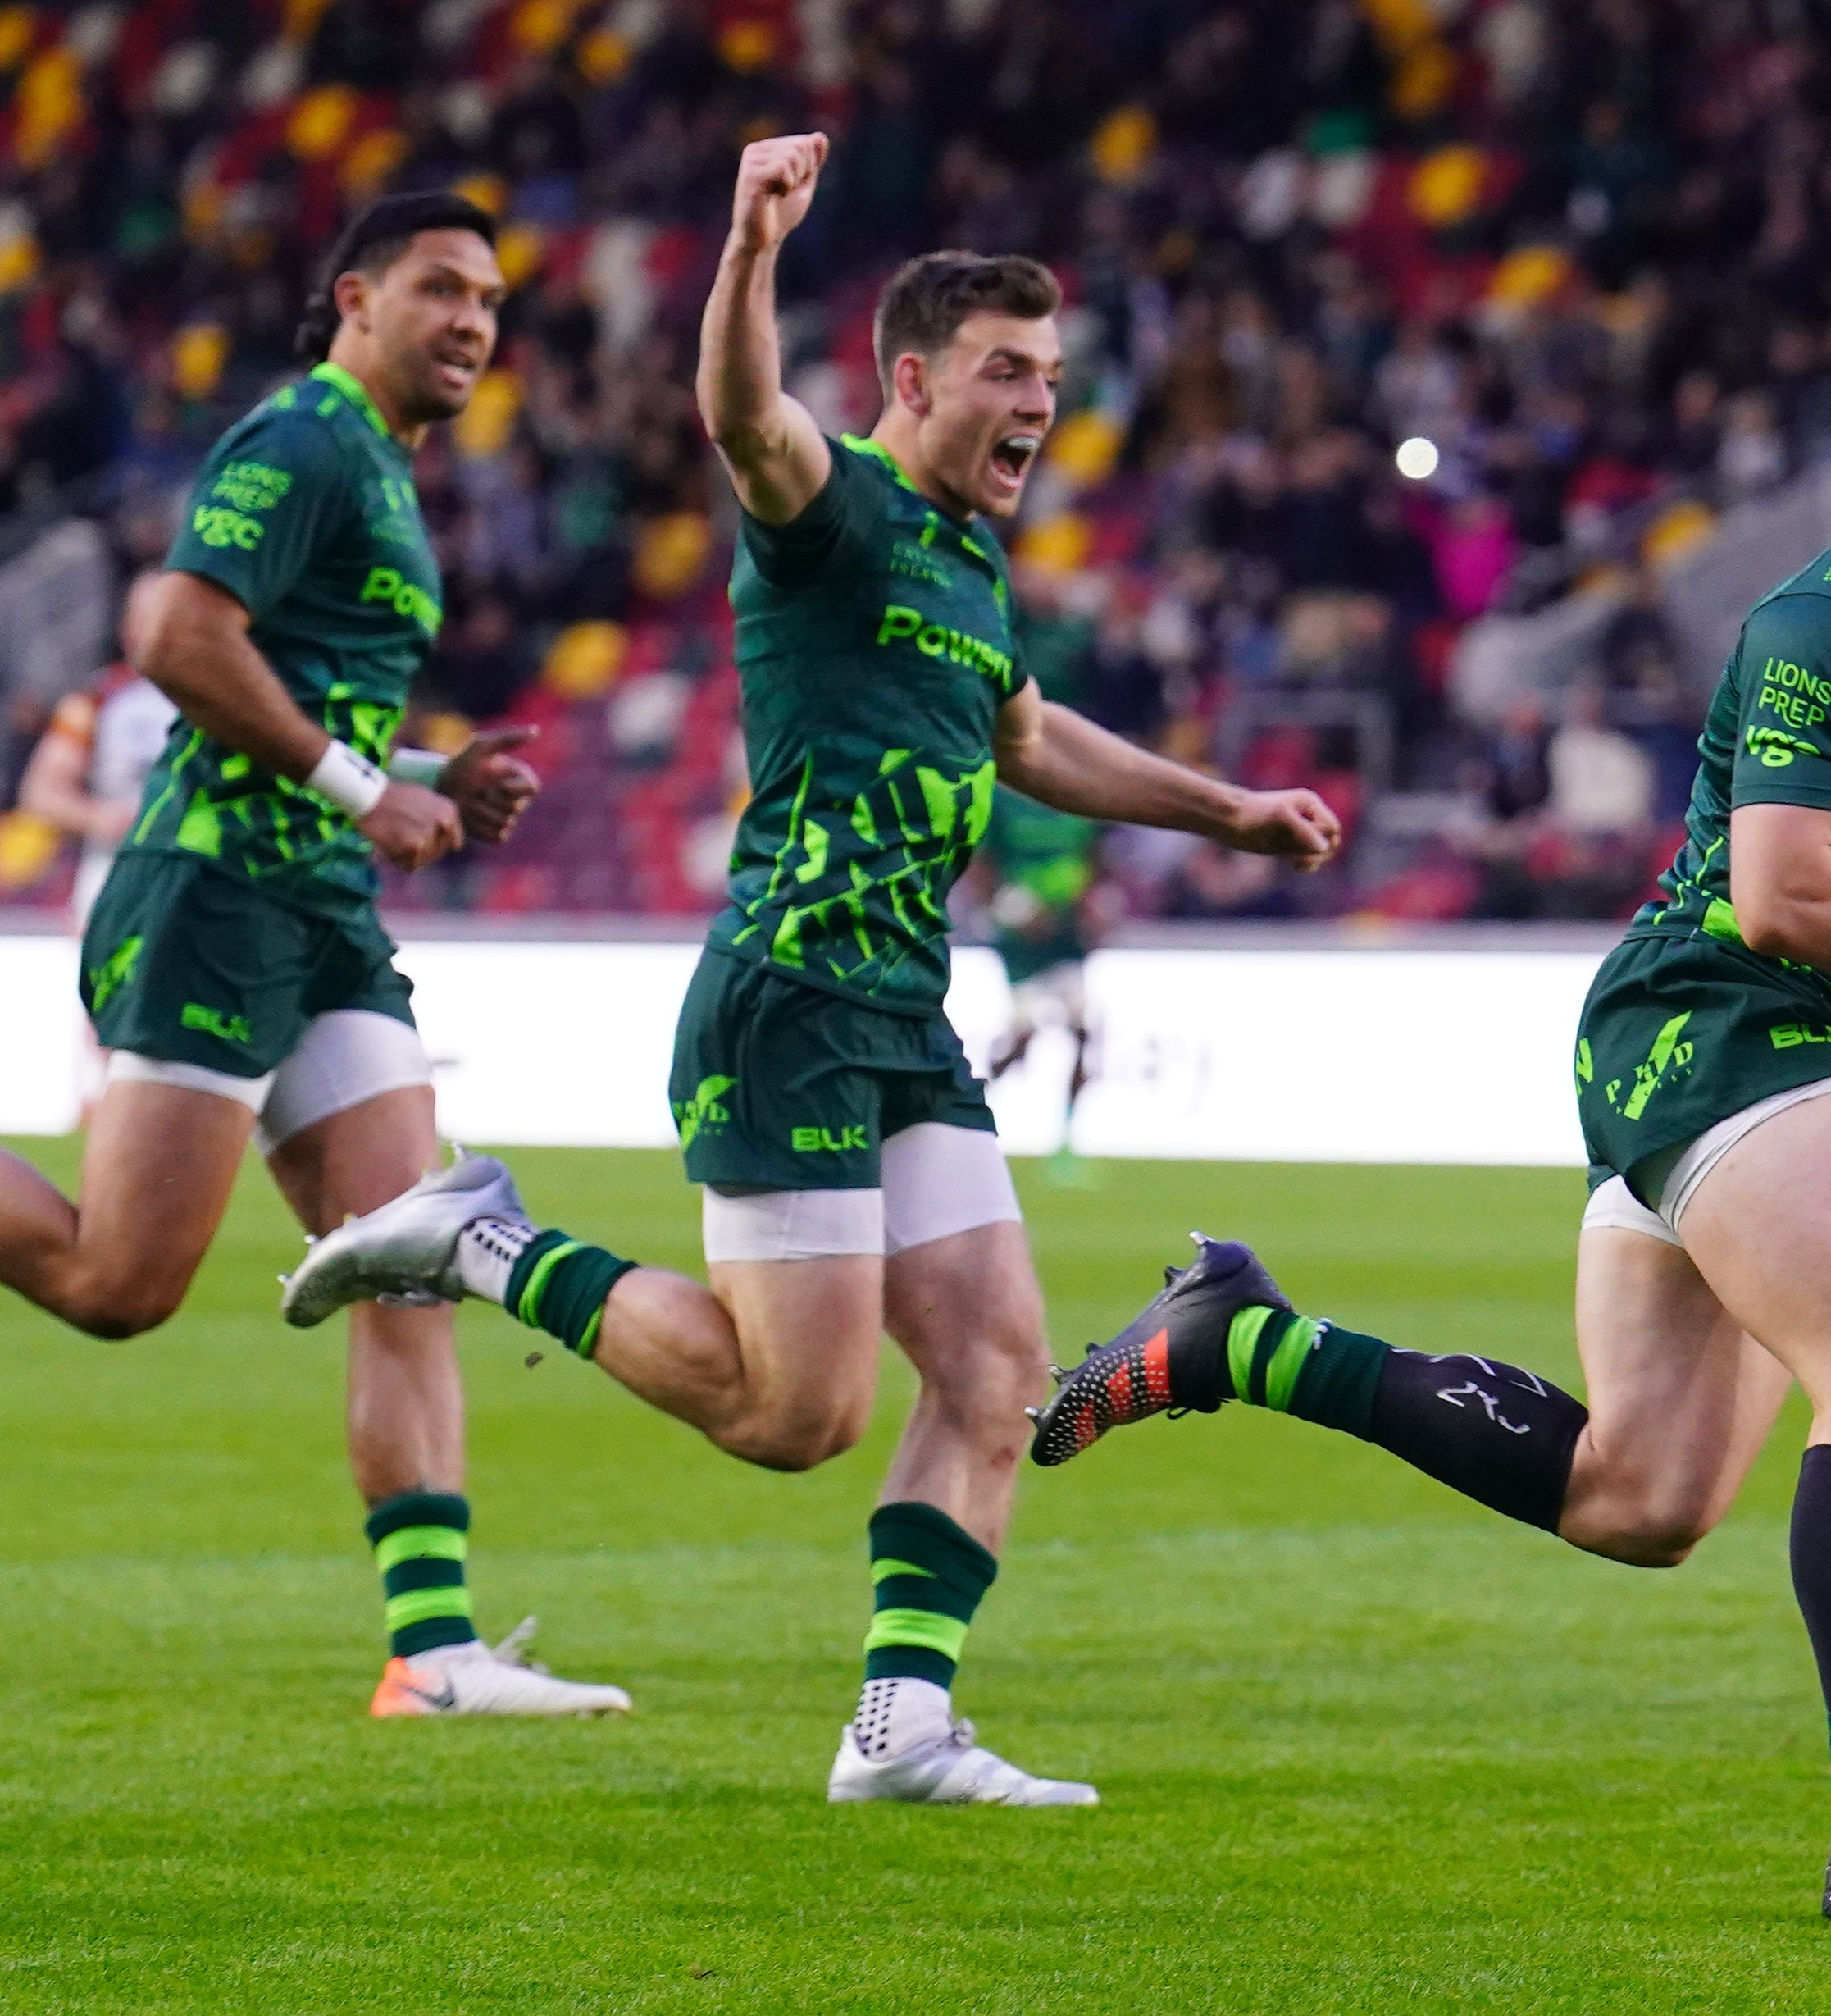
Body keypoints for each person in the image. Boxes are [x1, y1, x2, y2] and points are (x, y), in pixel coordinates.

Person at [1028, 299, 1831, 1922]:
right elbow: (1788, 895)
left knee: (1637, 1498)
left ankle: (1242, 1340)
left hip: (1795, 1044)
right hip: (1714, 1018)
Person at [279, 137, 1341, 1804]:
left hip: (902, 1010)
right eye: (1005, 370)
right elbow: (739, 418)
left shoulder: (974, 567)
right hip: (785, 996)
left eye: (1052, 375)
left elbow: (1033, 737)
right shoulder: (833, 506)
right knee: (795, 1414)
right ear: (911, 380)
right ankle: (478, 1237)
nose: (1038, 403)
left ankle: (904, 1729)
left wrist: (1226, 810)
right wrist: (752, 243)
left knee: (997, 1367)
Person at [0, 194, 626, 1718]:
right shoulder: (307, 441)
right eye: (439, 288)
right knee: (116, 1283)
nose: (474, 319)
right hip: (218, 890)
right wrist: (366, 785)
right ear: (356, 297)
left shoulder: (388, 477)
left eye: (489, 296)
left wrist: (420, 765)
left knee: (411, 1263)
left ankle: (434, 1654)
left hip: (321, 910)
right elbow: (179, 635)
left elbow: (289, 684)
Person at [16, 574, 180, 1114]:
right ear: (128, 626)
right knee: (116, 1029)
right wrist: (104, 816)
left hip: (209, 881)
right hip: (117, 884)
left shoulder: (235, 695)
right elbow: (41, 790)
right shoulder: (99, 699)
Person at [981, 786, 1105, 1173]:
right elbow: (981, 864)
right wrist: (1010, 908)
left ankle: (1068, 1142)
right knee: (1022, 1041)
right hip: (1021, 946)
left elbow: (1092, 860)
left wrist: (1092, 906)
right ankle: (977, 1110)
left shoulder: (1078, 800)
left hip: (1066, 943)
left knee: (1083, 1033)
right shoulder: (1004, 801)